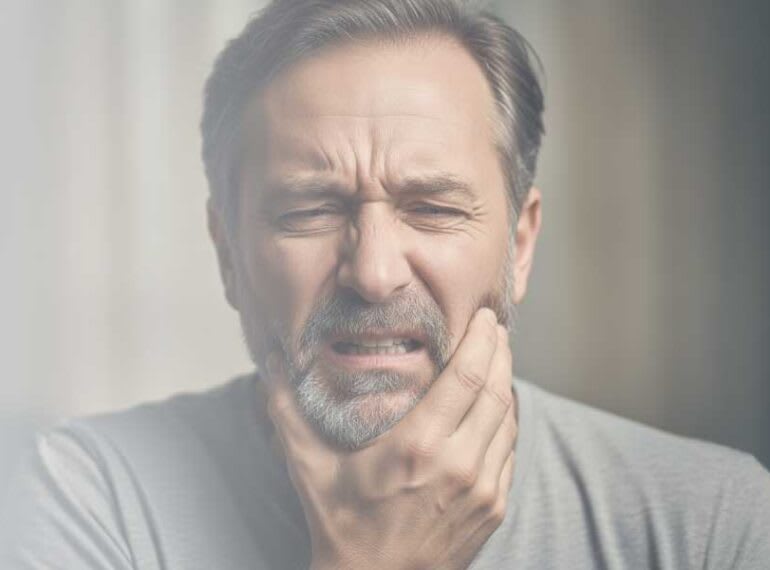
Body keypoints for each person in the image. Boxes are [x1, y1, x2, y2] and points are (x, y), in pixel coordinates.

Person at [3, 1, 769, 568]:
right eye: (310, 210)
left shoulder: (712, 523)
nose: (372, 274)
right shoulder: (82, 499)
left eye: (433, 209)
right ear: (228, 253)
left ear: (520, 245)